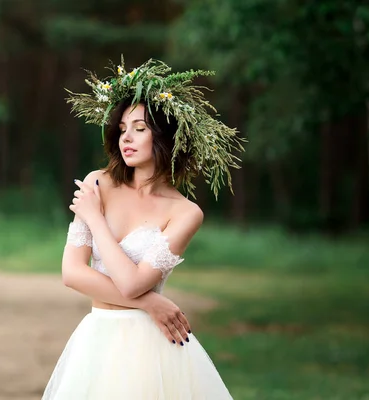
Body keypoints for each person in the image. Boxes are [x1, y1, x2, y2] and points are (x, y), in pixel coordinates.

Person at [42, 58, 243, 399]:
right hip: (97, 339)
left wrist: (94, 220)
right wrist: (152, 303)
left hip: (151, 348)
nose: (126, 138)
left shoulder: (185, 212)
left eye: (139, 128)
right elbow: (72, 273)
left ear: (164, 136)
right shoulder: (98, 183)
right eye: (122, 129)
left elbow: (134, 282)